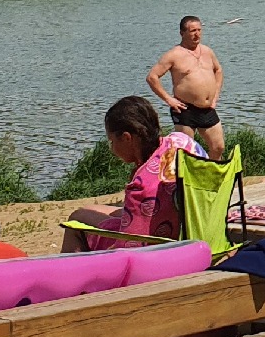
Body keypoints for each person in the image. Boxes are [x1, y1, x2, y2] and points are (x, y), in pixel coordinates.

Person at [62, 95, 204, 250]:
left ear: (126, 138)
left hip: (159, 247)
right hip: (190, 228)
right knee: (87, 209)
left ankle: (71, 271)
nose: (112, 149)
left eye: (112, 142)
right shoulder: (182, 141)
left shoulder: (142, 185)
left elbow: (130, 244)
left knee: (77, 219)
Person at [147, 15, 227, 157]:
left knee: (218, 147)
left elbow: (218, 70)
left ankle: (208, 176)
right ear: (182, 33)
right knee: (186, 152)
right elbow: (152, 77)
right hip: (185, 109)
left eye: (199, 30)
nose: (197, 34)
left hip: (208, 108)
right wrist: (169, 99)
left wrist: (215, 97)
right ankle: (185, 178)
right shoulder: (174, 55)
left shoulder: (207, 51)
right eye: (192, 31)